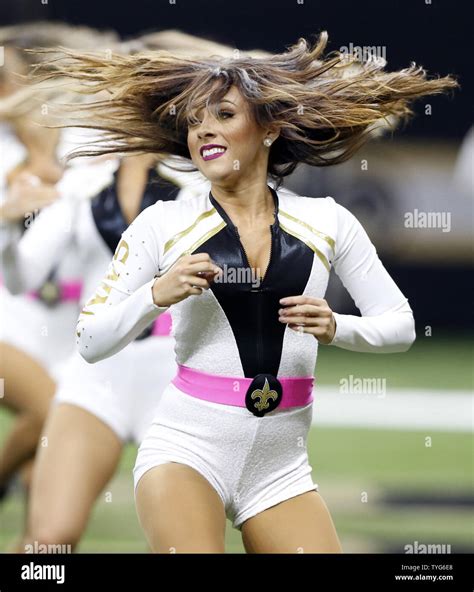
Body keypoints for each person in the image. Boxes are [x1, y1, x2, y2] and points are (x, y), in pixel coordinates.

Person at [44, 31, 457, 553]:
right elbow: (89, 340)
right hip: (186, 451)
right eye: (194, 121)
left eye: (222, 115)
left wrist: (337, 326)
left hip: (281, 469)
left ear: (268, 128)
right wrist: (155, 295)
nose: (204, 131)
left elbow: (399, 326)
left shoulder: (329, 221)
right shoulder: (163, 224)